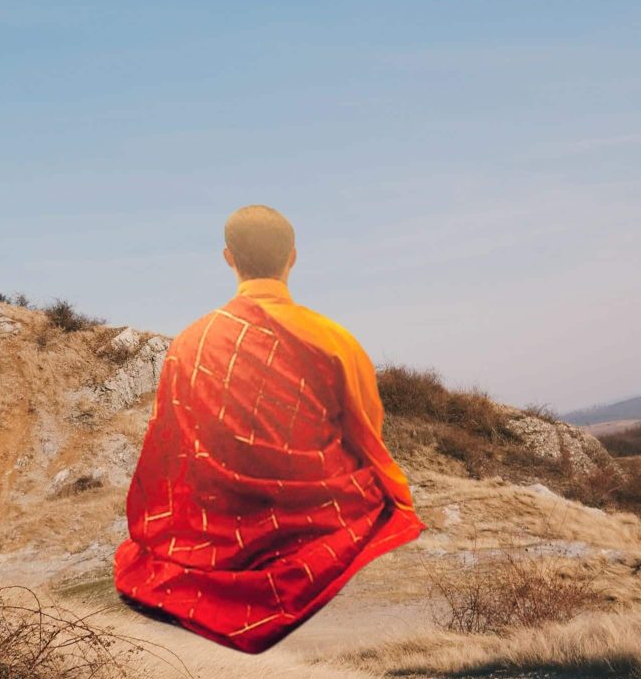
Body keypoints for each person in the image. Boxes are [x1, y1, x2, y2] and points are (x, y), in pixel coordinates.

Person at [112, 204, 427, 653]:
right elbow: (365, 433)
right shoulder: (333, 338)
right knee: (379, 501)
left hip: (214, 522)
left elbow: (169, 449)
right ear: (292, 258)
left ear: (228, 258)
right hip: (317, 509)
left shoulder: (189, 343)